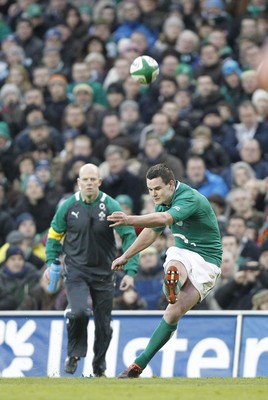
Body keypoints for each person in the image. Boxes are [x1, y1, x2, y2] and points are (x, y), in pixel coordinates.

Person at [107, 163, 222, 378]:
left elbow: (164, 219)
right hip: (183, 251)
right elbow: (151, 233)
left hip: (207, 261)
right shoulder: (164, 200)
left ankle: (172, 288)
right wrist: (125, 256)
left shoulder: (189, 198)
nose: (153, 194)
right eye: (150, 190)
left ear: (171, 184)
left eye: (157, 189)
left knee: (172, 313)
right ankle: (137, 367)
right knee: (175, 257)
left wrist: (129, 219)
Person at [43, 163, 138, 377]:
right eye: (85, 180)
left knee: (104, 325)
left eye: (93, 180)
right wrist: (51, 261)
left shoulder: (111, 206)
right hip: (76, 271)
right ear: (78, 182)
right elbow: (54, 235)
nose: (89, 183)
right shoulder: (68, 207)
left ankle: (99, 367)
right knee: (77, 312)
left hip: (105, 273)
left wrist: (131, 271)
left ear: (99, 182)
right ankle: (74, 353)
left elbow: (129, 236)